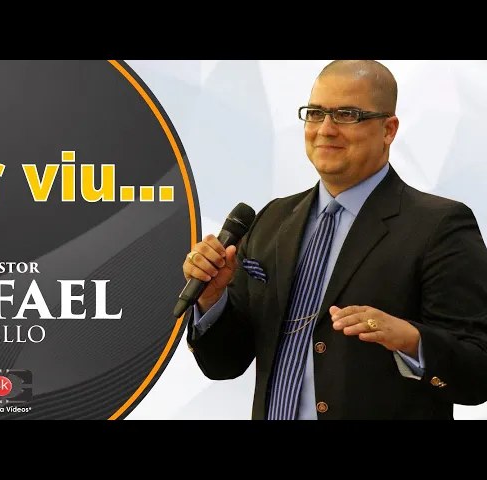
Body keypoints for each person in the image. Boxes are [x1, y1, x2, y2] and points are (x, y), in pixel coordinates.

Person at [181, 60, 487, 420]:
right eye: (315, 113)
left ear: (388, 129)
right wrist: (212, 298)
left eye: (346, 114)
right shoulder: (272, 220)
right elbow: (224, 364)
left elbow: (478, 371)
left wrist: (410, 340)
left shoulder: (439, 225)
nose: (325, 129)